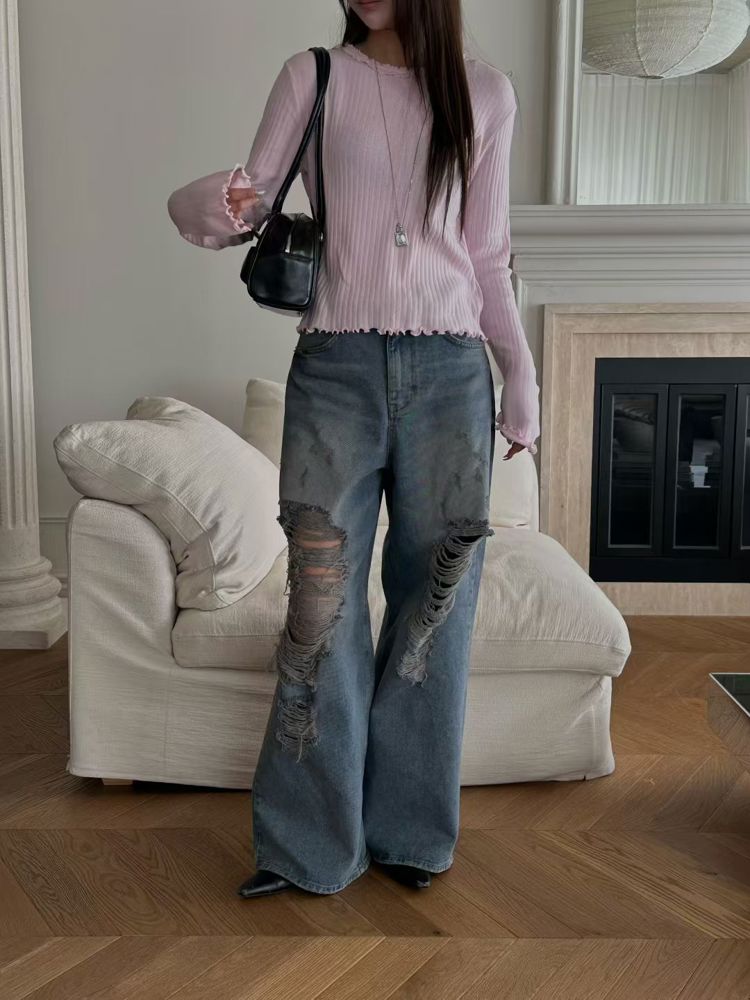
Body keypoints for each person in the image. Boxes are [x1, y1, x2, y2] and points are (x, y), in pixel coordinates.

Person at [167, 0, 540, 898]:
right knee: (321, 608)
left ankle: (410, 834)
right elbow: (241, 206)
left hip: (453, 375)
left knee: (435, 606)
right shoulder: (314, 76)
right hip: (335, 370)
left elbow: (488, 253)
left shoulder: (487, 95)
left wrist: (520, 375)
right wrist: (213, 202)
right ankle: (308, 849)